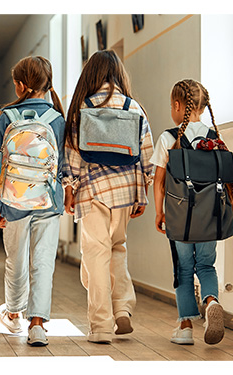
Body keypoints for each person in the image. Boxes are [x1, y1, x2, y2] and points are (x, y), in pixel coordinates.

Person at [62, 50, 154, 344]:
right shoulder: (133, 107)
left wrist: (69, 188)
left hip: (92, 190)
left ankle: (101, 324)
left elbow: (72, 154)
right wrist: (144, 193)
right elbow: (147, 154)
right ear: (119, 74)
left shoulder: (81, 108)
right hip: (126, 189)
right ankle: (123, 308)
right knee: (118, 248)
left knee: (96, 254)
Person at [0, 56, 65, 347]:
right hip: (49, 200)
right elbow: (64, 164)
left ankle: (14, 313)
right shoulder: (57, 119)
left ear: (20, 85)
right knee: (43, 262)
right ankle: (38, 324)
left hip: (14, 200)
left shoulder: (6, 117)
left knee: (16, 260)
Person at [151, 79, 225, 345]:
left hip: (180, 217)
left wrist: (159, 213)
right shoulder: (214, 138)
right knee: (206, 265)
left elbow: (159, 182)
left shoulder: (169, 138)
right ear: (203, 108)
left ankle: (184, 327)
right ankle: (212, 301)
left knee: (183, 269)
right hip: (210, 217)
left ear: (177, 105)